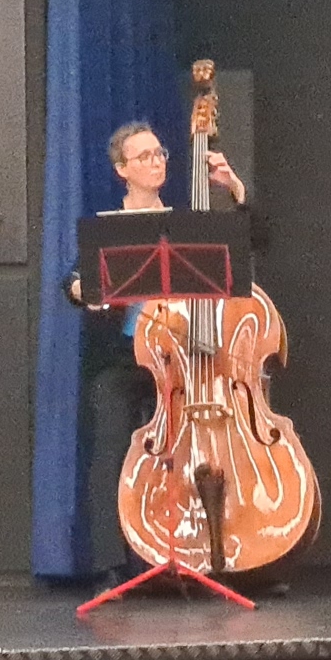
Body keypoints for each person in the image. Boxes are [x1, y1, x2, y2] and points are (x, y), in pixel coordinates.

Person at [65, 121, 246, 580]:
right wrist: (84, 289)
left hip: (187, 362)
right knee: (110, 448)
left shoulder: (186, 225)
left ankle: (213, 554)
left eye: (159, 153)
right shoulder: (109, 228)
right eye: (143, 156)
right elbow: (73, 281)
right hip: (125, 359)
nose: (156, 162)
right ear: (121, 169)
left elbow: (252, 242)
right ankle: (111, 566)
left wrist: (236, 192)